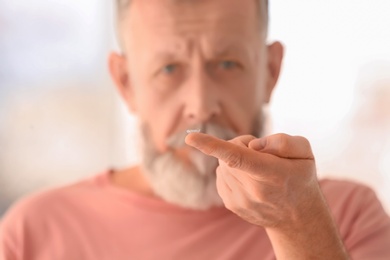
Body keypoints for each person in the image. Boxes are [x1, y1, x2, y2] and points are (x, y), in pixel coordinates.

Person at [1, 0, 390, 259]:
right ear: (125, 83)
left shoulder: (345, 217)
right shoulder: (33, 234)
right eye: (168, 69)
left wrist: (299, 226)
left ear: (270, 72)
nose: (201, 105)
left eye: (227, 64)